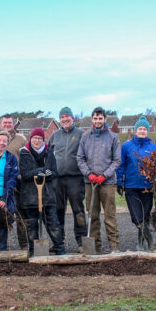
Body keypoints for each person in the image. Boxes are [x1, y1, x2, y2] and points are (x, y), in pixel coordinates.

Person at [77, 107, 121, 253]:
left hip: (107, 183)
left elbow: (116, 160)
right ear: (92, 119)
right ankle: (95, 247)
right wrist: (89, 174)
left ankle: (114, 246)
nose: (97, 121)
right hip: (90, 183)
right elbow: (80, 158)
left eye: (100, 118)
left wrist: (104, 175)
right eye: (95, 118)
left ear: (105, 119)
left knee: (109, 215)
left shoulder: (112, 137)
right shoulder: (85, 137)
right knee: (92, 215)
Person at [19, 128, 65, 256]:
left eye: (39, 138)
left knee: (53, 224)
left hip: (47, 195)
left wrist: (47, 174)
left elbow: (54, 172)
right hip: (30, 196)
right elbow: (25, 174)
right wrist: (39, 172)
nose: (37, 140)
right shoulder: (24, 153)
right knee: (32, 225)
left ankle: (60, 248)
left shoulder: (49, 152)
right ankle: (34, 251)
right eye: (35, 138)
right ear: (30, 139)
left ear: (43, 140)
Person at [116, 116, 156, 251]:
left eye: (144, 129)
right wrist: (119, 182)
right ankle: (150, 240)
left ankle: (140, 244)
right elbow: (121, 165)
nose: (142, 131)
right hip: (131, 186)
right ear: (135, 130)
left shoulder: (153, 147)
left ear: (147, 131)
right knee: (137, 216)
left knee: (145, 216)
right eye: (140, 129)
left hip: (147, 187)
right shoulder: (127, 146)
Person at [0, 114, 28, 250]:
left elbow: (27, 159)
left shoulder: (21, 139)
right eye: (5, 123)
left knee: (21, 215)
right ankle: (1, 246)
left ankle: (24, 244)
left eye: (10, 123)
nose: (7, 125)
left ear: (13, 124)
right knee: (1, 216)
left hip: (18, 182)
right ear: (0, 125)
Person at [49, 107, 87, 252]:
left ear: (72, 118)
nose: (65, 119)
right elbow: (49, 155)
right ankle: (59, 241)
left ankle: (82, 242)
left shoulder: (81, 134)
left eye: (67, 116)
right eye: (62, 117)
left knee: (78, 210)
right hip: (57, 179)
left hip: (75, 179)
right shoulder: (54, 135)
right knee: (58, 210)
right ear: (60, 119)